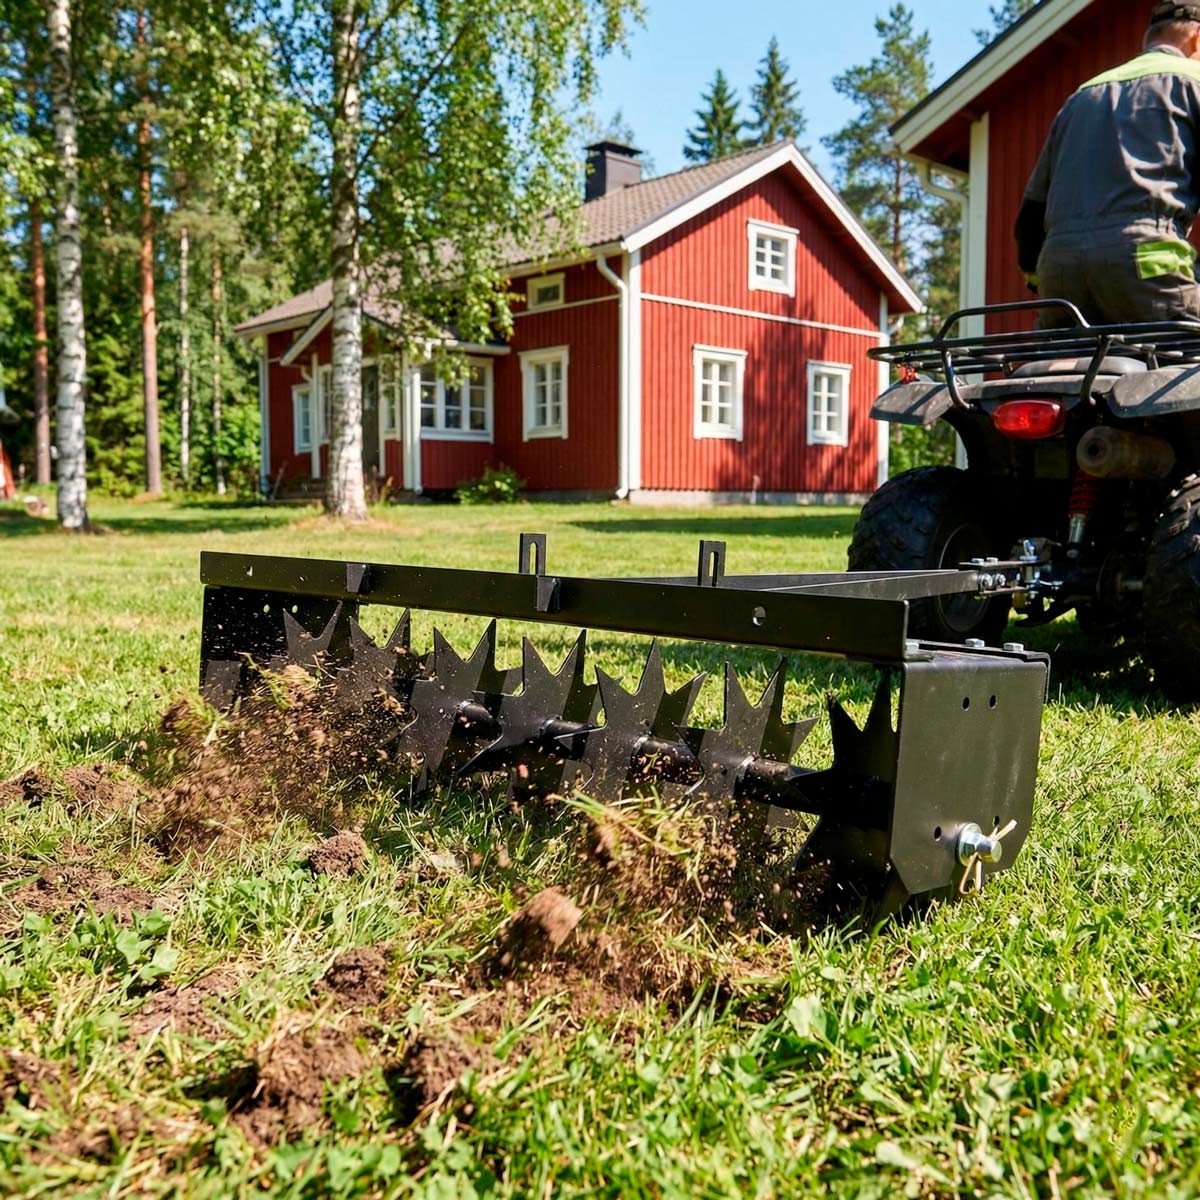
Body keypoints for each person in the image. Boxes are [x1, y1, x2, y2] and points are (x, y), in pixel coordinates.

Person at [1016, 2, 1200, 327]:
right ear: (1197, 39)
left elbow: (1030, 218)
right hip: (1150, 265)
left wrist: (1039, 278)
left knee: (1067, 359)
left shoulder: (1082, 96)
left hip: (1060, 277)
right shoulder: (1193, 81)